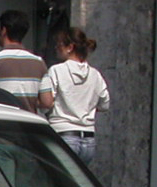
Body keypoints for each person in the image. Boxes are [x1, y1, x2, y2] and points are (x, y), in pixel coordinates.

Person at [38, 27, 110, 166]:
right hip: (88, 139)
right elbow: (105, 104)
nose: (56, 48)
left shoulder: (56, 70)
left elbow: (47, 103)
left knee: (58, 182)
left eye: (59, 44)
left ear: (70, 47)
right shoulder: (95, 75)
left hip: (63, 134)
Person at [0, 9, 48, 113]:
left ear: (3, 30)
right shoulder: (39, 63)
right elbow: (47, 102)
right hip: (28, 122)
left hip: (2, 122)